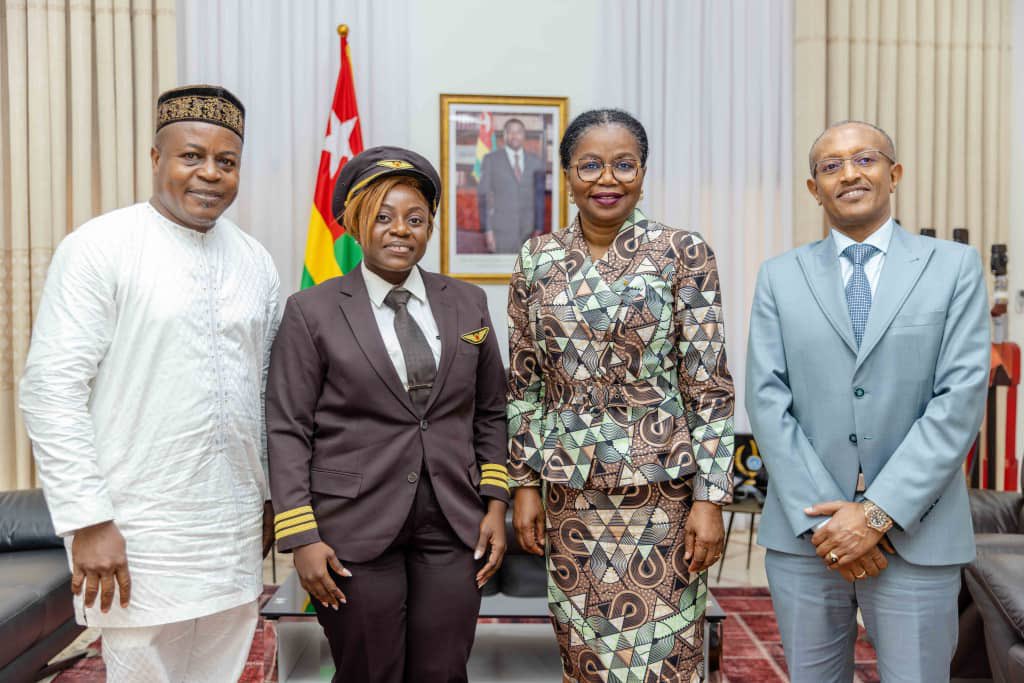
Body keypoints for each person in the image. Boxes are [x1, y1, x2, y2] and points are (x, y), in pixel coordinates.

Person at [19, 85, 281, 682]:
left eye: (227, 161)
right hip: (136, 528)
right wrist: (88, 519)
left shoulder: (255, 261)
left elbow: (266, 392)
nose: (209, 174)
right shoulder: (98, 248)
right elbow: (51, 389)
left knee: (221, 669)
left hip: (233, 526)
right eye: (192, 156)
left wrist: (271, 498)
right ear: (155, 158)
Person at [746, 120, 990, 682]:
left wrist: (876, 515)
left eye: (865, 159)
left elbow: (958, 401)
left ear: (893, 173)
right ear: (814, 189)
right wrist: (831, 525)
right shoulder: (780, 277)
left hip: (918, 533)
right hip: (807, 537)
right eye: (830, 166)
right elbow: (767, 399)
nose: (849, 174)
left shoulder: (953, 267)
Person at [508, 109, 735, 682]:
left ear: (642, 171)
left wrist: (711, 498)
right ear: (566, 174)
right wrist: (524, 484)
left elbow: (707, 385)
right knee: (585, 656)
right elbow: (524, 383)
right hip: (570, 493)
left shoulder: (683, 252)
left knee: (665, 660)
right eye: (590, 165)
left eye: (622, 165)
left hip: (663, 494)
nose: (606, 179)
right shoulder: (536, 260)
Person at [267, 146, 508, 683]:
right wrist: (301, 536)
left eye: (415, 218)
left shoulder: (468, 303)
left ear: (430, 228)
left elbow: (492, 410)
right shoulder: (313, 311)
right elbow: (287, 427)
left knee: (444, 669)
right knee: (370, 671)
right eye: (382, 216)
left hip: (452, 520)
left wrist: (495, 502)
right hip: (353, 523)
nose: (400, 230)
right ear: (354, 224)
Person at [477, 117, 545, 253]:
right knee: (501, 273)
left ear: (524, 135)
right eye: (510, 132)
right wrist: (488, 231)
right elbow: (484, 198)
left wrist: (539, 227)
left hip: (529, 232)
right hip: (500, 232)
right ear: (504, 135)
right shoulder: (491, 160)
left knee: (527, 273)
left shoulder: (536, 161)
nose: (515, 136)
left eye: (518, 132)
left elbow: (539, 198)